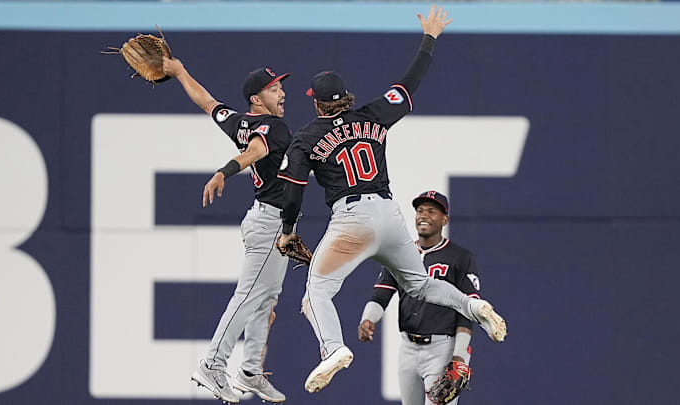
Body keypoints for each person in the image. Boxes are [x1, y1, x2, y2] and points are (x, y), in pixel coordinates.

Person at [275, 5, 506, 394]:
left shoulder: (307, 136)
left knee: (316, 290)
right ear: (345, 98)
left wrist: (287, 229)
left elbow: (294, 186)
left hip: (352, 219)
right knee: (418, 284)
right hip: (389, 213)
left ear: (316, 103)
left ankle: (332, 348)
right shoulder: (372, 115)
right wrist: (429, 39)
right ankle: (473, 307)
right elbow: (408, 84)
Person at [162, 58, 291, 403]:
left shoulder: (240, 122)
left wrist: (179, 72)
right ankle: (213, 364)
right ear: (256, 99)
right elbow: (256, 151)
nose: (282, 93)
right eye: (274, 88)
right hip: (269, 224)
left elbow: (207, 102)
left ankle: (249, 371)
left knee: (266, 299)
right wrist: (224, 172)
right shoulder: (273, 129)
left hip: (267, 221)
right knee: (249, 296)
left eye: (280, 86)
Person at [358, 191, 479, 405]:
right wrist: (368, 318)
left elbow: (468, 310)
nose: (424, 215)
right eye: (420, 210)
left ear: (444, 219)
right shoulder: (400, 254)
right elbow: (382, 293)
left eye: (432, 211)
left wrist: (459, 355)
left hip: (442, 348)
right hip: (408, 347)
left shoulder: (460, 257)